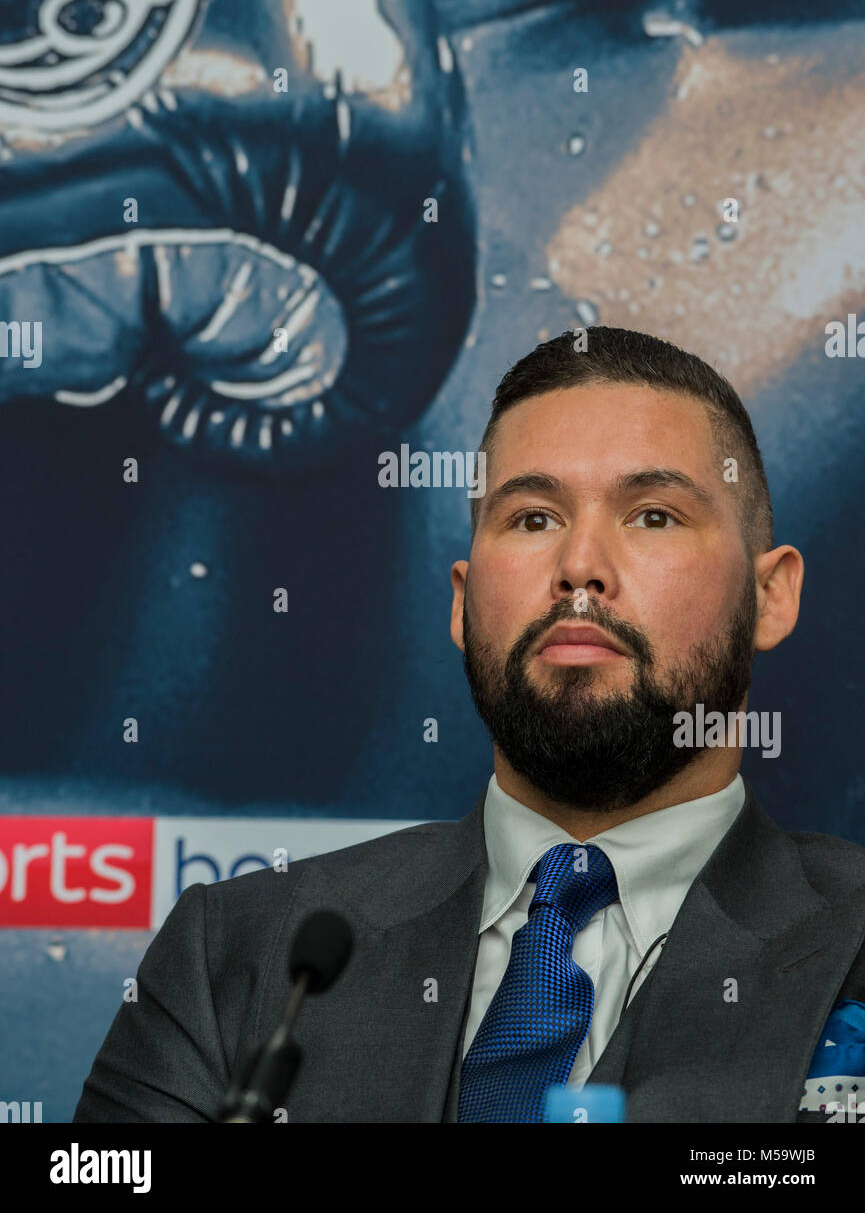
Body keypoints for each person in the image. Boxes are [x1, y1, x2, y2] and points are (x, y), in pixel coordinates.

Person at [74, 326, 865, 1123]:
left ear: (771, 596)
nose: (579, 565)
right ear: (460, 601)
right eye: (531, 518)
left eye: (652, 515)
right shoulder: (238, 952)